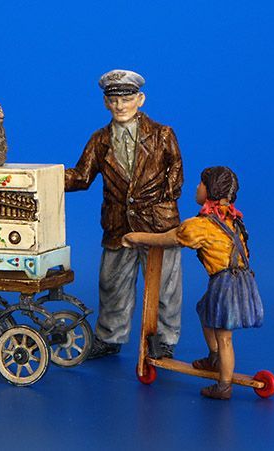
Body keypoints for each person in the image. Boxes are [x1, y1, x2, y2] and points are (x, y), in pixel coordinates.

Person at [65, 69, 184, 359]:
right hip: (118, 225)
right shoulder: (99, 140)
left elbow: (176, 171)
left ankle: (164, 340)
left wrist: (162, 201)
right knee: (112, 283)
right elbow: (81, 176)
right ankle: (110, 336)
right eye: (114, 99)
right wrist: (46, 177)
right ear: (106, 103)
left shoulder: (162, 135)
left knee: (165, 287)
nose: (120, 105)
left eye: (127, 98)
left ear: (140, 99)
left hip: (158, 226)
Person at [122, 166, 264, 400]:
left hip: (225, 282)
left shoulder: (202, 226)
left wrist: (134, 237)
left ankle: (224, 386)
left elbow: (168, 239)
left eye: (201, 184)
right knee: (204, 310)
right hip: (242, 279)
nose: (197, 187)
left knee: (224, 336)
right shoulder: (233, 219)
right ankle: (214, 358)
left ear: (210, 190)